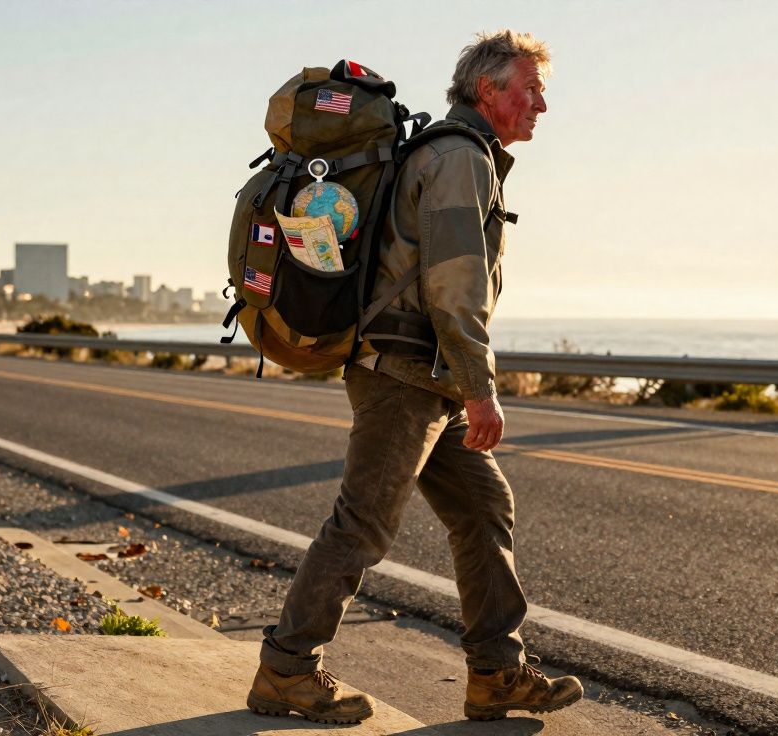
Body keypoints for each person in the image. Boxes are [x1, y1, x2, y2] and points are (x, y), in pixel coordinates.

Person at [248, 30, 582, 724]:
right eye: (530, 89)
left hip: (425, 375)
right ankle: (286, 670)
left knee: (485, 508)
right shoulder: (461, 160)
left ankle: (496, 672)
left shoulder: (459, 154)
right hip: (405, 373)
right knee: (363, 523)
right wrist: (480, 388)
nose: (541, 105)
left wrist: (460, 383)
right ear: (489, 90)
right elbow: (455, 286)